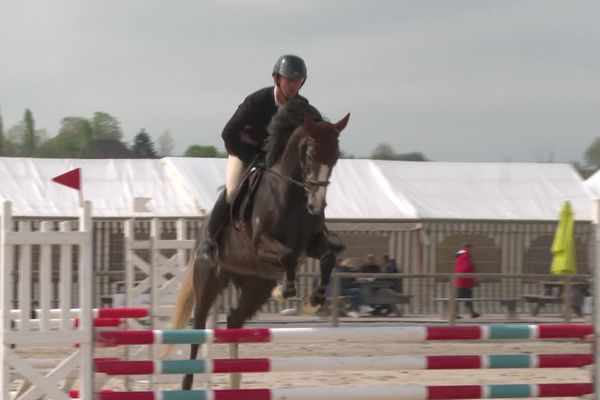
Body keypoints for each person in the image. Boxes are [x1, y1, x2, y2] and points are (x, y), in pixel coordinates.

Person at [196, 54, 321, 266]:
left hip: (277, 161)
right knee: (233, 189)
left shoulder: (303, 107)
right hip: (244, 152)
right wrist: (251, 158)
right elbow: (228, 133)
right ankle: (209, 242)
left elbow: (319, 129)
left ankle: (320, 235)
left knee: (307, 188)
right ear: (277, 80)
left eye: (298, 81)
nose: (293, 85)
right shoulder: (256, 102)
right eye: (289, 80)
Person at [454, 244, 480, 319]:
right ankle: (452, 313)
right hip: (464, 281)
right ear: (468, 248)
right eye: (472, 249)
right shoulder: (465, 256)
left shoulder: (461, 256)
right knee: (460, 298)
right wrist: (473, 275)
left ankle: (472, 313)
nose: (473, 251)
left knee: (468, 297)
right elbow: (466, 268)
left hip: (463, 281)